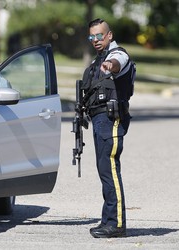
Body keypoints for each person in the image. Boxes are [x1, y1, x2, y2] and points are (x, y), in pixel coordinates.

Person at [82, 18, 132, 238]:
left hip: (111, 120)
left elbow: (118, 61)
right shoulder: (96, 61)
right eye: (91, 37)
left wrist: (110, 66)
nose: (95, 40)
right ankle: (108, 220)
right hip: (99, 119)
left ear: (109, 35)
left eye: (99, 36)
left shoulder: (117, 55)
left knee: (110, 169)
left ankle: (116, 224)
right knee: (105, 171)